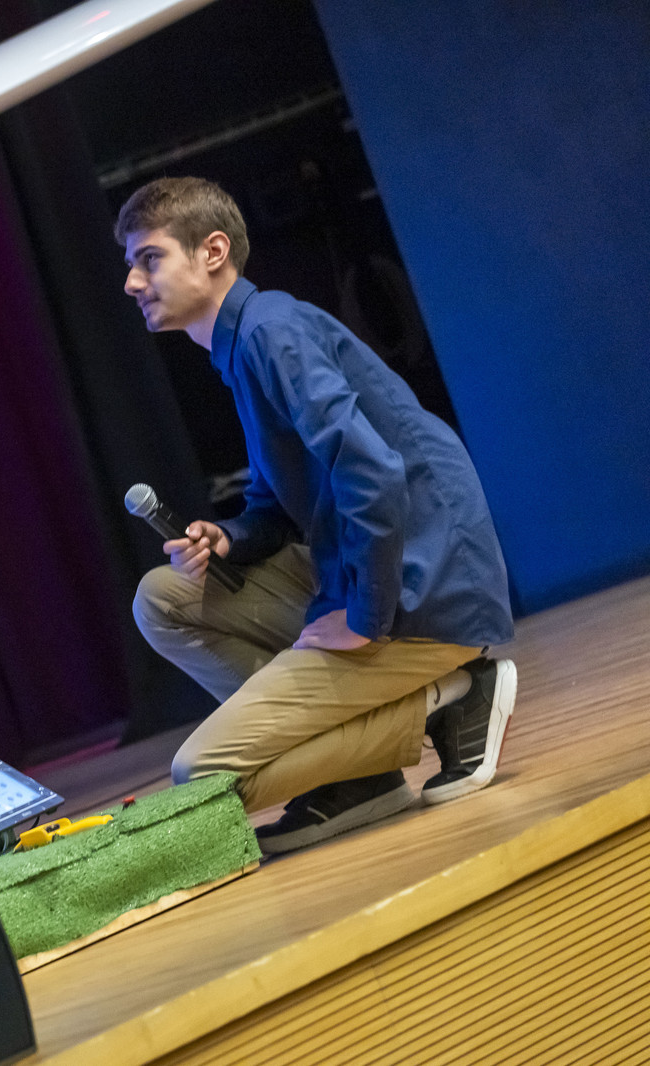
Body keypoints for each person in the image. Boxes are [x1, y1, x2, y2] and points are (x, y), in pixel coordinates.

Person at [116, 176, 518, 854]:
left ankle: (451, 697)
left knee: (204, 776)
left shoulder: (271, 332)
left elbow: (374, 473)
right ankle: (363, 778)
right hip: (368, 570)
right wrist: (228, 537)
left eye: (148, 258)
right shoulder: (244, 343)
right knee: (163, 598)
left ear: (212, 252)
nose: (132, 282)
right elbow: (276, 502)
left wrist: (364, 618)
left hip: (428, 592)